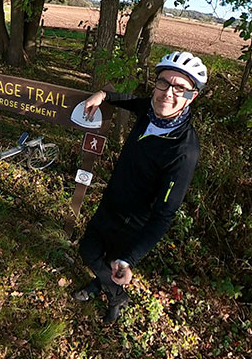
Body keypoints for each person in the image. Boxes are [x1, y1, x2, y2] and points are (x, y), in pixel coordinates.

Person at [71, 51, 206, 324]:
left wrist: (130, 259)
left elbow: (164, 215)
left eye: (180, 87)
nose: (168, 93)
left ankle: (115, 295)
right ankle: (107, 287)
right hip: (111, 202)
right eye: (163, 83)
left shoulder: (183, 151)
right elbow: (132, 101)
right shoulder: (151, 109)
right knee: (89, 250)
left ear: (193, 95)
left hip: (133, 222)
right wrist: (104, 95)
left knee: (108, 261)